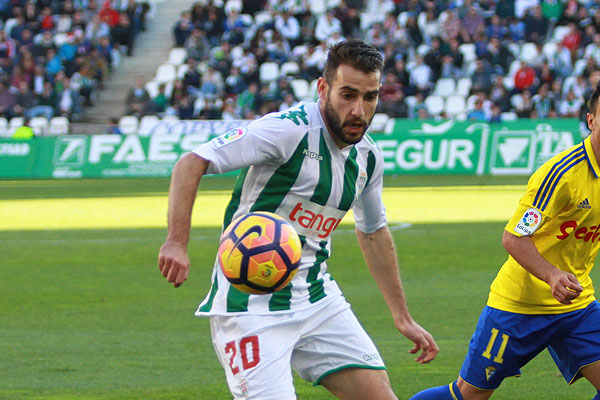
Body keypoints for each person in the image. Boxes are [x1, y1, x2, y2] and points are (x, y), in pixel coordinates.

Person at [158, 39, 438, 400]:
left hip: (318, 298)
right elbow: (191, 162)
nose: (359, 110)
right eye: (348, 95)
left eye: (369, 97)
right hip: (250, 306)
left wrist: (402, 316)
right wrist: (176, 242)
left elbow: (373, 233)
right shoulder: (287, 130)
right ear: (323, 88)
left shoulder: (368, 158)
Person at [410, 84, 600, 400]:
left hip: (576, 305)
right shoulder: (563, 173)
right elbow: (513, 238)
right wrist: (552, 275)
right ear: (591, 120)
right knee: (468, 395)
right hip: (519, 307)